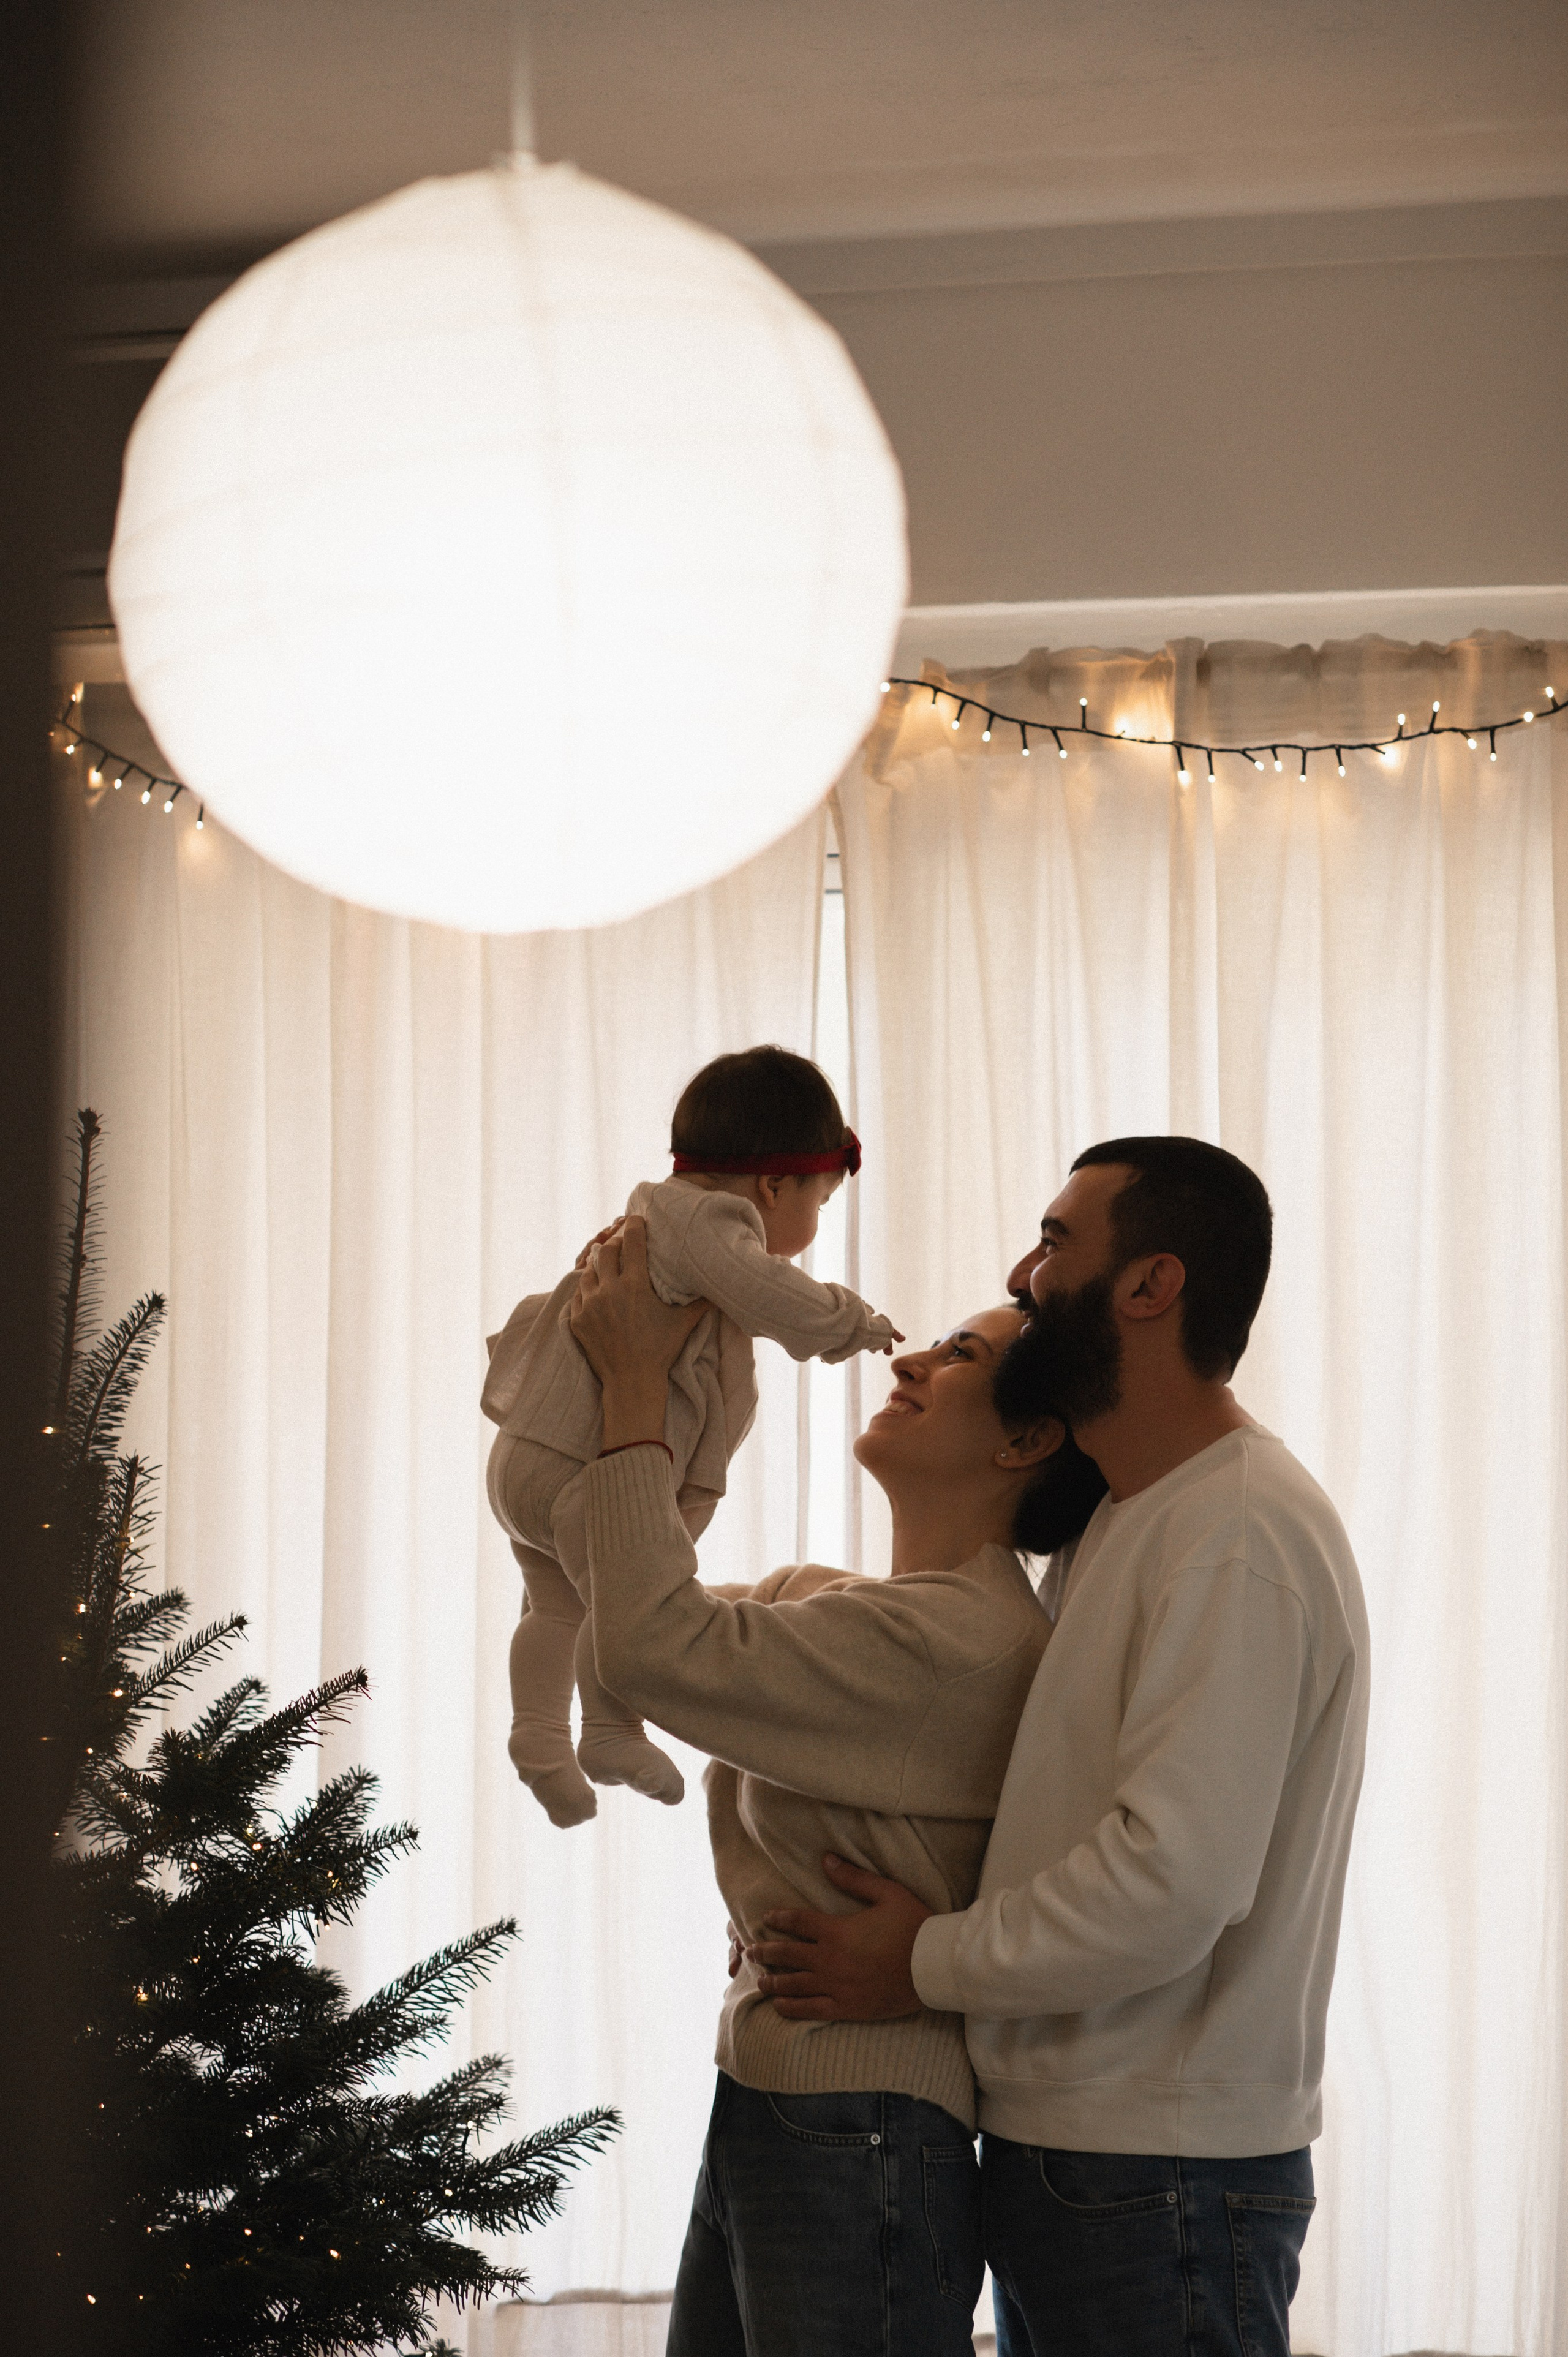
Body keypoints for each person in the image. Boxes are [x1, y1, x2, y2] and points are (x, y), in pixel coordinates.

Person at [747, 1136, 1370, 2357]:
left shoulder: (1236, 1532)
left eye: (1054, 1239)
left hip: (1161, 2178)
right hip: (1090, 2162)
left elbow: (1167, 1883)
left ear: (1149, 1286)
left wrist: (915, 1960)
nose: (1020, 1272)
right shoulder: (1133, 1513)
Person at [566, 1220, 1108, 2357]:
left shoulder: (962, 1643)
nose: (911, 1360)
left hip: (855, 2125)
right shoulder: (841, 1601)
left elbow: (650, 1646)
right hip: (785, 2103)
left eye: (961, 1353)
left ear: (1028, 1440)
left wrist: (634, 1386)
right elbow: (632, 1600)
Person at [481, 1046, 899, 1827]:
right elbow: (774, 1295)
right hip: (582, 1466)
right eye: (819, 1201)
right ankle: (609, 1730)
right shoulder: (713, 1223)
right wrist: (854, 1323)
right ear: (775, 1185)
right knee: (622, 1595)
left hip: (529, 1456)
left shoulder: (658, 1216)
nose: (810, 1226)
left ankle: (539, 1739)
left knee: (553, 1607)